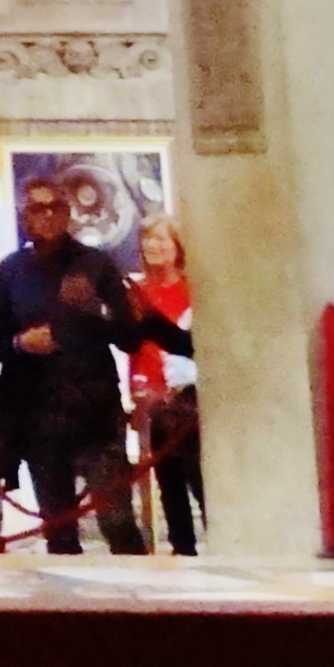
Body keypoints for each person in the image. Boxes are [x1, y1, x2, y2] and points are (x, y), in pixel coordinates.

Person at [0, 177, 177, 555]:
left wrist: (94, 308)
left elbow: (129, 337)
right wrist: (19, 344)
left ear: (68, 213)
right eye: (38, 209)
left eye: (55, 207)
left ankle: (139, 605)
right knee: (58, 528)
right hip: (39, 415)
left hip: (95, 412)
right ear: (25, 218)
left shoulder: (97, 266)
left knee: (117, 519)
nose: (48, 216)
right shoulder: (11, 271)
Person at [130, 215, 202, 555]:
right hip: (154, 398)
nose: (154, 246)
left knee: (200, 479)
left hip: (191, 400)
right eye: (148, 238)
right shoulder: (136, 293)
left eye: (162, 239)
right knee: (169, 484)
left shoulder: (195, 289)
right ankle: (182, 549)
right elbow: (136, 348)